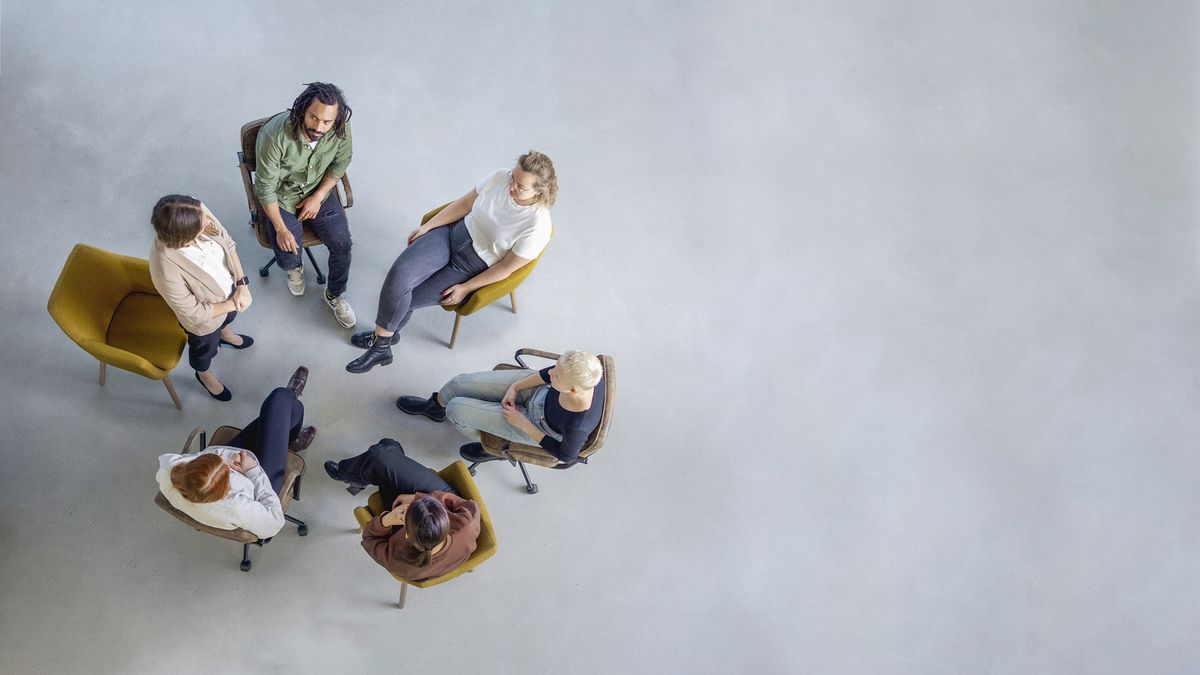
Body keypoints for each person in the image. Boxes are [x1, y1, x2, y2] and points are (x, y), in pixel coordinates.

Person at [345, 150, 557, 373]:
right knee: (399, 278)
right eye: (513, 178)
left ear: (539, 192)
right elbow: (465, 204)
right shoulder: (500, 178)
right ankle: (384, 342)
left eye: (520, 186)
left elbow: (507, 268)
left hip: (473, 265)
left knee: (404, 297)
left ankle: (383, 338)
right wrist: (428, 227)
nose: (511, 186)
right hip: (452, 234)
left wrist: (467, 288)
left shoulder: (537, 225)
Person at [155, 368, 316, 539]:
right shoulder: (236, 508)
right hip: (259, 483)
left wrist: (226, 459)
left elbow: (205, 463)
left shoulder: (170, 470)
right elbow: (273, 524)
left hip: (234, 469)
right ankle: (291, 422)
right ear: (225, 489)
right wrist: (252, 471)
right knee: (281, 400)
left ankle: (290, 417)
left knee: (284, 409)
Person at [255, 82, 356, 328]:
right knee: (288, 251)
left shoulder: (340, 126)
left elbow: (340, 164)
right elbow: (265, 187)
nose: (319, 127)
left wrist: (318, 196)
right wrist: (280, 227)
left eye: (327, 122)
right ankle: (295, 267)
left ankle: (334, 295)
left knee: (343, 245)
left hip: (318, 191)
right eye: (314, 117)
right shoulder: (275, 135)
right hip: (283, 196)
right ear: (302, 110)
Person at [396, 350, 605, 465]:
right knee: (459, 383)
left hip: (536, 424)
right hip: (539, 392)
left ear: (574, 390)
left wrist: (523, 424)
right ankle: (434, 407)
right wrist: (515, 387)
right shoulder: (578, 370)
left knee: (456, 409)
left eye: (556, 376)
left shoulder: (578, 426)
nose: (552, 373)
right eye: (556, 368)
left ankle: (490, 445)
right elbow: (549, 372)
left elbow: (566, 456)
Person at [325, 439, 480, 582]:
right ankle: (384, 458)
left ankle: (354, 473)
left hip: (404, 531)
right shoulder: (467, 523)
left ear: (406, 533)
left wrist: (386, 521)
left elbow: (369, 540)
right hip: (437, 514)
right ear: (445, 519)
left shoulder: (398, 561)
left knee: (380, 455)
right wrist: (417, 497)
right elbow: (462, 502)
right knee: (385, 455)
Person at [149, 195, 253, 401]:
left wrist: (241, 283)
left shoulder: (195, 211)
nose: (208, 220)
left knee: (229, 317)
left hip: (231, 293)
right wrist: (234, 302)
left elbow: (227, 241)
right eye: (202, 223)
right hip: (205, 321)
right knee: (204, 349)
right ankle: (203, 374)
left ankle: (225, 333)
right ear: (185, 237)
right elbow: (194, 313)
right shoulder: (165, 267)